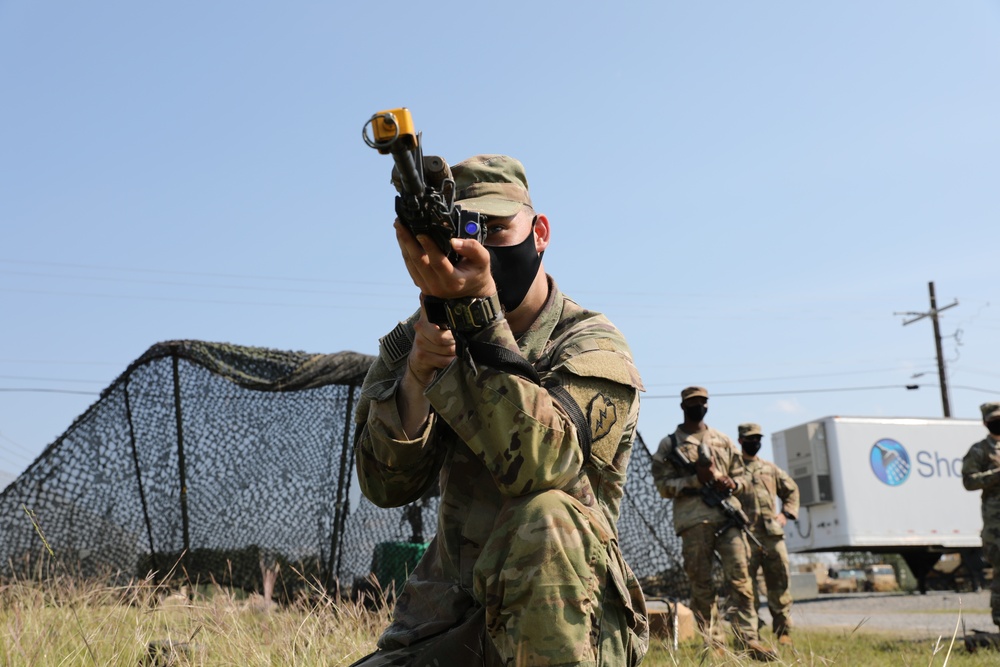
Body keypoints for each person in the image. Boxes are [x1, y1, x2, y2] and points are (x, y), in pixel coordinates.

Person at [351, 154, 648, 666]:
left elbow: (545, 466)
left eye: (496, 228)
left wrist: (483, 318)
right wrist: (418, 378)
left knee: (547, 515)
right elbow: (383, 486)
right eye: (468, 229)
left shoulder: (591, 344)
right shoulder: (423, 334)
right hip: (446, 621)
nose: (482, 244)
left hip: (562, 615)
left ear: (540, 232)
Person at [650, 387, 777, 662]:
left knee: (741, 580)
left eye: (703, 403)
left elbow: (742, 475)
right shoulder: (669, 445)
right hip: (694, 522)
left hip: (727, 517)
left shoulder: (722, 440)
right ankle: (714, 642)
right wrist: (696, 481)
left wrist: (732, 483)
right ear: (683, 406)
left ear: (708, 406)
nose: (699, 407)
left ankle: (749, 639)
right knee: (702, 585)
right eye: (693, 403)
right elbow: (662, 486)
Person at [735, 422, 800, 646]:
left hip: (772, 535)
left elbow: (791, 489)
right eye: (751, 439)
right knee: (747, 588)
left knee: (779, 582)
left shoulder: (769, 469)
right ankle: (751, 635)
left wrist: (786, 514)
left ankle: (783, 631)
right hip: (744, 537)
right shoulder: (732, 469)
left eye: (758, 438)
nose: (756, 442)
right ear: (741, 440)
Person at [961, 401, 1000, 630]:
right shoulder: (979, 450)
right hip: (996, 526)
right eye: (994, 419)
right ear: (985, 422)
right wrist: (996, 475)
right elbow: (969, 481)